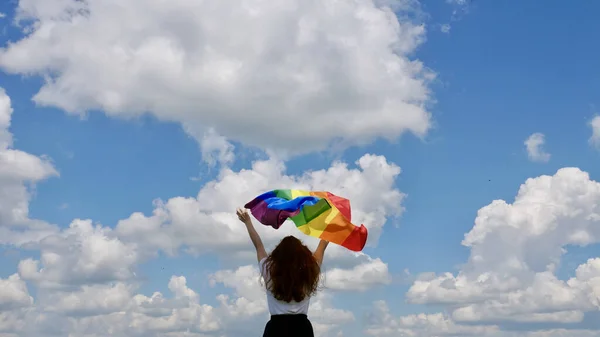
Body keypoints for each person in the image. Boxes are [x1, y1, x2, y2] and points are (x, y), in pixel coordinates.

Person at [236, 208, 329, 337]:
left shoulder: (269, 269)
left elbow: (258, 245)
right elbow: (323, 245)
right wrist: (330, 222)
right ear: (303, 254)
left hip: (276, 328)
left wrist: (247, 222)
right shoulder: (310, 271)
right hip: (302, 329)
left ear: (278, 254)